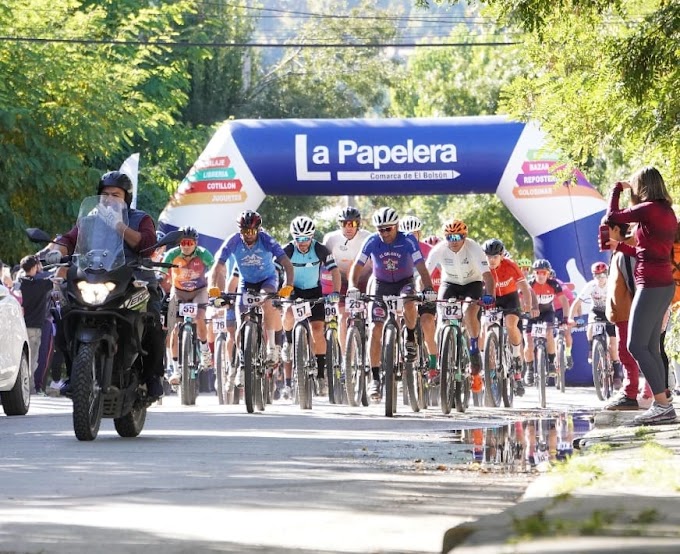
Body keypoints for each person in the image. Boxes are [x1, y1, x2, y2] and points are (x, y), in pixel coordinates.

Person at [45, 171, 166, 398]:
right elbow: (69, 240)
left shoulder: (141, 218)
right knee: (63, 312)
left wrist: (118, 225)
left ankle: (152, 377)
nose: (109, 199)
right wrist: (54, 252)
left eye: (116, 195)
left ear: (126, 198)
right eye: (105, 194)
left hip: (133, 279)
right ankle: (75, 374)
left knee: (152, 319)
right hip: (95, 279)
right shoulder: (89, 220)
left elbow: (147, 244)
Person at [606, 167, 677, 424]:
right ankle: (664, 405)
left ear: (642, 186)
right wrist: (621, 247)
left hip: (652, 285)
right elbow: (652, 252)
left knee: (635, 345)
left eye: (635, 186)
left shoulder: (648, 209)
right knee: (650, 347)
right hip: (663, 283)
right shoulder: (666, 211)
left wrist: (617, 189)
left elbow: (612, 216)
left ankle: (662, 405)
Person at [347, 207, 435, 400]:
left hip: (405, 283)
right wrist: (353, 286)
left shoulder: (408, 240)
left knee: (409, 302)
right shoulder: (372, 241)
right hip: (381, 285)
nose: (385, 233)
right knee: (376, 328)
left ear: (396, 226)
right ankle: (375, 378)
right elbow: (357, 265)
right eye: (381, 229)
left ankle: (410, 337)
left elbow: (421, 265)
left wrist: (428, 287)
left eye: (388, 229)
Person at [210, 210, 295, 365]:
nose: (248, 234)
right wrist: (212, 288)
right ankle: (243, 363)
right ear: (240, 230)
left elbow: (287, 265)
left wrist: (288, 286)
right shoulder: (233, 241)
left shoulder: (266, 239)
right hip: (246, 282)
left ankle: (271, 349)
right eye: (244, 231)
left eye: (252, 231)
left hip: (267, 279)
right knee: (240, 320)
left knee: (266, 300)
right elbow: (217, 266)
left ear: (258, 230)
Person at [424, 219, 495, 394]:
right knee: (441, 318)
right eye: (449, 237)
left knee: (469, 312)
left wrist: (489, 296)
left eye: (457, 237)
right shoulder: (439, 249)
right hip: (450, 284)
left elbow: (487, 275)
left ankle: (473, 348)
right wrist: (423, 291)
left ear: (465, 236)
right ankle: (442, 355)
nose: (453, 241)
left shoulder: (474, 248)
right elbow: (424, 273)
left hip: (473, 283)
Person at [281, 216, 341, 398]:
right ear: (293, 237)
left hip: (314, 291)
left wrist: (336, 292)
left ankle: (321, 375)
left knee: (317, 330)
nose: (303, 242)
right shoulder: (288, 250)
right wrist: (277, 292)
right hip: (293, 289)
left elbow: (335, 271)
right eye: (298, 238)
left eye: (306, 238)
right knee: (289, 314)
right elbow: (275, 270)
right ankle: (289, 343)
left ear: (312, 236)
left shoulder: (321, 250)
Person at [482, 238, 538, 396]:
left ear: (501, 255)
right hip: (491, 299)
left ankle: (516, 358)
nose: (491, 260)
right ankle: (489, 367)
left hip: (510, 298)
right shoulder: (481, 266)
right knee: (486, 329)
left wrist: (527, 304)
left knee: (510, 324)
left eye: (494, 257)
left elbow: (524, 287)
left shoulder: (511, 265)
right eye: (488, 256)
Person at [161, 227, 215, 386]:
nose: (186, 246)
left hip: (199, 291)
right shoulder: (172, 255)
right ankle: (175, 369)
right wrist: (159, 276)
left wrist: (213, 284)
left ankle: (205, 351)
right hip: (178, 292)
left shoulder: (204, 254)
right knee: (173, 329)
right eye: (183, 243)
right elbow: (162, 271)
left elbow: (213, 270)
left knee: (199, 318)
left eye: (189, 243)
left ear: (195, 243)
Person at [602, 220, 646, 410]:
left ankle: (631, 393)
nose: (601, 235)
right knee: (626, 353)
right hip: (623, 314)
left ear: (617, 229)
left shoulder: (626, 252)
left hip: (630, 314)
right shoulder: (620, 252)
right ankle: (637, 392)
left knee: (629, 353)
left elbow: (635, 284)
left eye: (605, 230)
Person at [322, 206, 371, 351]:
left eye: (353, 224)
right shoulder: (331, 239)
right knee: (343, 317)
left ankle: (369, 347)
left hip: (364, 280)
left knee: (373, 315)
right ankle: (345, 360)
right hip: (342, 280)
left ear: (358, 224)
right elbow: (323, 264)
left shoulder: (368, 237)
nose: (348, 228)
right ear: (340, 224)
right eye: (345, 224)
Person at [568, 262, 623, 388]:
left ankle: (617, 372)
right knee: (591, 327)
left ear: (607, 274)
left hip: (611, 312)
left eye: (603, 275)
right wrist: (571, 318)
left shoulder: (612, 284)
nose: (600, 278)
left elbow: (621, 300)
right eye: (597, 275)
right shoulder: (591, 286)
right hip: (596, 311)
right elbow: (577, 303)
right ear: (593, 276)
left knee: (613, 345)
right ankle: (591, 348)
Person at [399, 215, 438, 378]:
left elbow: (441, 271)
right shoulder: (396, 247)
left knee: (427, 323)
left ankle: (433, 365)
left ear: (419, 234)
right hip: (405, 292)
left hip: (426, 291)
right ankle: (396, 360)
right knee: (396, 320)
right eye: (406, 233)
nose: (410, 237)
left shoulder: (429, 249)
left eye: (413, 233)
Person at [524, 259, 569, 386]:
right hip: (531, 315)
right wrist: (524, 312)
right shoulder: (529, 284)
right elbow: (521, 300)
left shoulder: (554, 284)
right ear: (534, 273)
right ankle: (529, 369)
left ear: (548, 273)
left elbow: (564, 302)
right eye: (538, 272)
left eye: (544, 272)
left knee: (549, 333)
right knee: (528, 343)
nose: (541, 275)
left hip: (547, 313)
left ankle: (551, 361)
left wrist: (565, 318)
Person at [17, 255, 54, 395]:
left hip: (20, 325)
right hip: (35, 327)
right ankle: (30, 388)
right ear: (35, 267)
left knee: (21, 358)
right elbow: (55, 279)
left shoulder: (19, 283)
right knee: (32, 360)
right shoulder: (42, 284)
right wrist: (41, 268)